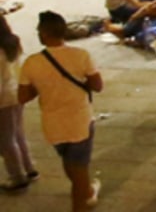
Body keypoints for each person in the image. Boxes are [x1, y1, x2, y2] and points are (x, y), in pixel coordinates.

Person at [18, 11, 101, 210]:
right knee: (79, 169)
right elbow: (97, 85)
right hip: (79, 121)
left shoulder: (32, 62)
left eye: (39, 30)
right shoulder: (81, 55)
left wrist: (44, 85)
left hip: (53, 124)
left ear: (45, 34)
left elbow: (23, 97)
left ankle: (87, 192)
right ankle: (83, 200)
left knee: (70, 164)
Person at [0, 14, 31, 191]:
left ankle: (17, 177)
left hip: (3, 100)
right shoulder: (12, 44)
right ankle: (29, 168)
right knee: (18, 133)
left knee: (6, 140)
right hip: (17, 94)